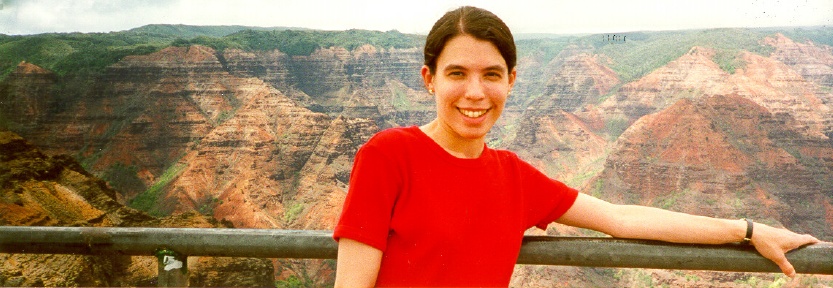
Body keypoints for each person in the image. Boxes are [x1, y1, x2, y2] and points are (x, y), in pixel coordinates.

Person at [332, 6, 820, 287]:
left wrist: (748, 230)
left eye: (492, 75)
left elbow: (622, 218)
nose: (475, 93)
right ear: (429, 80)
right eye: (456, 74)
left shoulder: (514, 177)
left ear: (512, 81)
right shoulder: (387, 155)